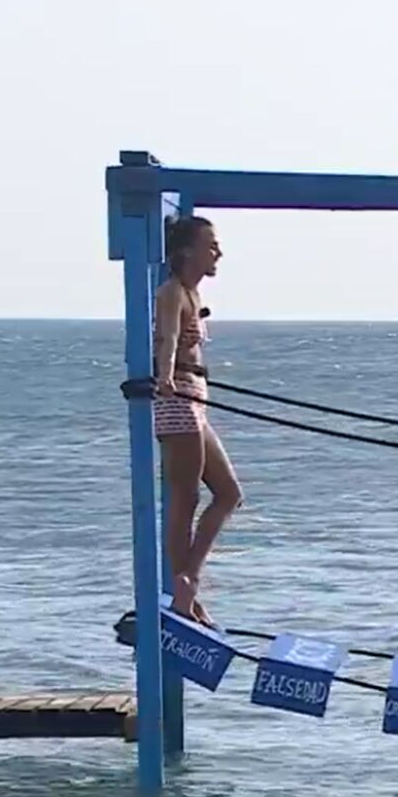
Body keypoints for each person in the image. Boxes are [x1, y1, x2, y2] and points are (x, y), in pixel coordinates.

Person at [153, 215, 241, 627]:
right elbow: (168, 338)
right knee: (184, 498)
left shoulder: (192, 293)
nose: (218, 252)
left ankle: (187, 581)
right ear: (187, 251)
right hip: (179, 399)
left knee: (229, 493)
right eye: (211, 245)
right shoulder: (172, 291)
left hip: (196, 398)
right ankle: (183, 590)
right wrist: (165, 376)